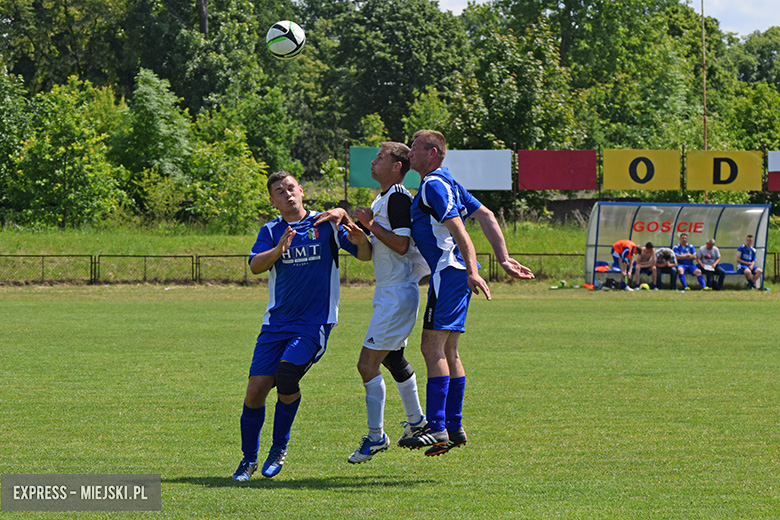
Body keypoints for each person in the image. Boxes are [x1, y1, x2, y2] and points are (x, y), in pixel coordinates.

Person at [398, 129, 534, 456]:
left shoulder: (433, 185)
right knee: (449, 350)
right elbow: (486, 215)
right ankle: (454, 426)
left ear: (432, 153)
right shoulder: (448, 181)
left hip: (449, 272)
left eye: (415, 148)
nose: (409, 153)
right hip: (455, 273)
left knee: (431, 348)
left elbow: (460, 229)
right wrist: (503, 258)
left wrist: (473, 270)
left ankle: (437, 427)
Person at [231, 171, 372, 481]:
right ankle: (248, 460)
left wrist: (361, 241)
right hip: (276, 323)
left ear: (302, 190)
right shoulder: (271, 230)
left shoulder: (326, 224)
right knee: (255, 392)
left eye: (291, 188)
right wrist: (277, 250)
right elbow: (254, 266)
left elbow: (364, 255)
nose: (287, 194)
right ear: (273, 201)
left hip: (314, 322)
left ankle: (278, 448)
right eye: (280, 191)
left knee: (286, 375)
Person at [314, 142, 430, 464]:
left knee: (366, 365)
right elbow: (370, 255)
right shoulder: (381, 198)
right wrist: (361, 238)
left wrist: (370, 225)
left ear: (397, 167)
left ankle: (377, 437)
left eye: (380, 157)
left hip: (397, 293)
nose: (373, 161)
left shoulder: (398, 197)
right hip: (390, 292)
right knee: (393, 359)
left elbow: (402, 245)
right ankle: (418, 422)